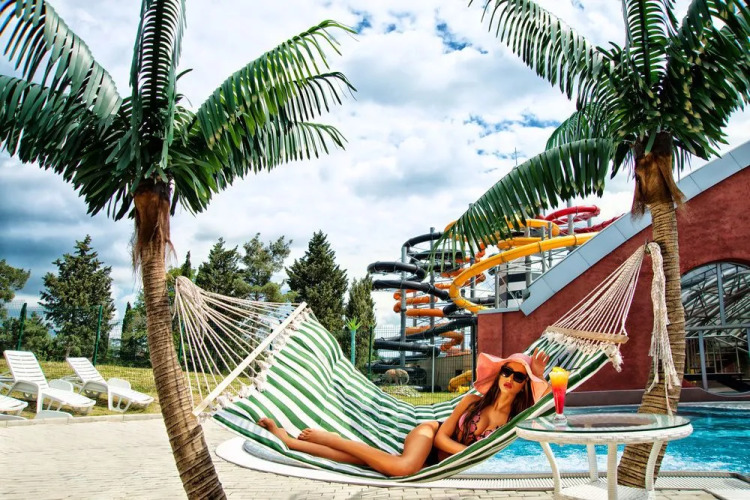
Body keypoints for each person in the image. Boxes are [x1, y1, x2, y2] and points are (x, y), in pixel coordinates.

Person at [257, 348, 551, 477]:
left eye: (519, 376)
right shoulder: (473, 401)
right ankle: (332, 438)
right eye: (506, 371)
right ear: (499, 374)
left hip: (439, 462)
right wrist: (468, 453)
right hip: (429, 434)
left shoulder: (514, 419)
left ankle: (290, 441)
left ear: (524, 385)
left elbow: (546, 407)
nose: (509, 378)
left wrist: (538, 376)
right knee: (403, 468)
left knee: (367, 462)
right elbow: (441, 438)